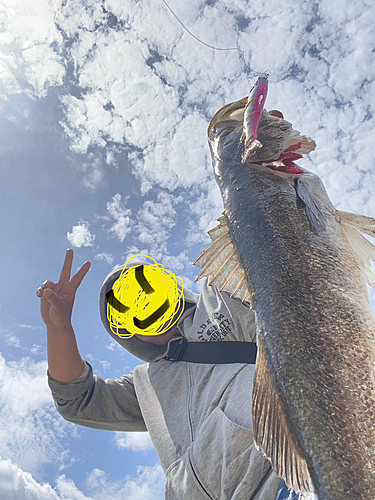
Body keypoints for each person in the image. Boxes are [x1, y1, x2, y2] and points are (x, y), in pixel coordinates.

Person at [38, 248, 290, 499]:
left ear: (167, 282)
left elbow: (278, 263)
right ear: (125, 330)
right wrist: (58, 327)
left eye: (146, 287)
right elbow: (79, 400)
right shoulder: (145, 386)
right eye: (128, 305)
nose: (143, 302)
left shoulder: (223, 292)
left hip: (301, 458)